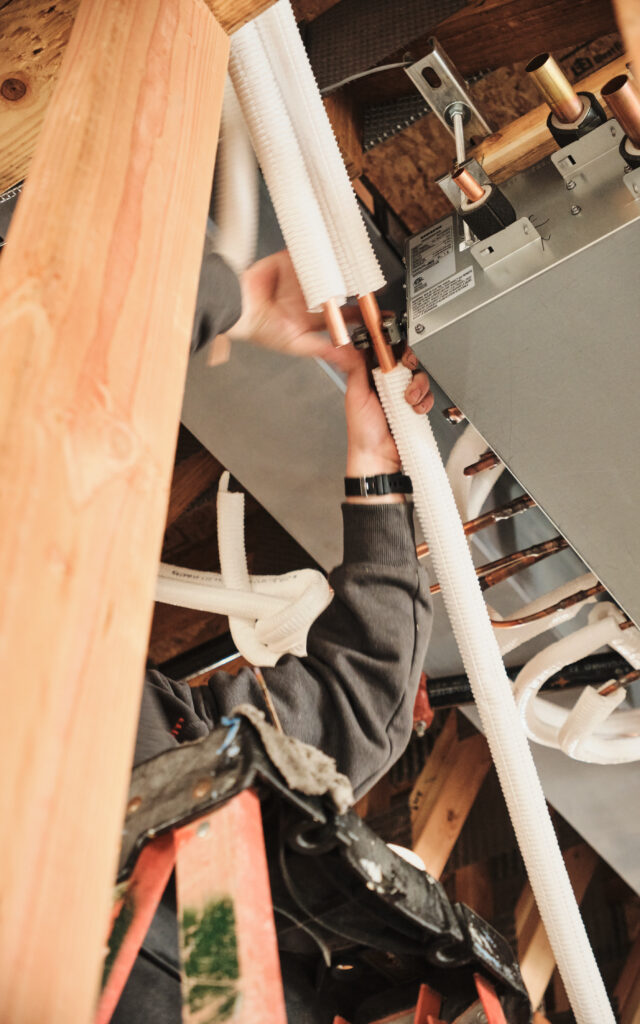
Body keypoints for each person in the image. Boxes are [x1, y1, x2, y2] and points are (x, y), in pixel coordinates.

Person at [112, 247, 434, 1023]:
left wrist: (224, 297)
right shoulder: (230, 923)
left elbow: (58, 360)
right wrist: (375, 469)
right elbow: (360, 707)